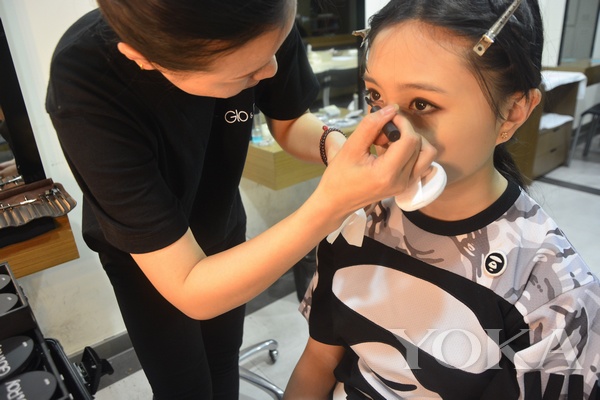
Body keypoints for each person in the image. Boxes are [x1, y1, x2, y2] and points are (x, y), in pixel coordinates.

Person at [45, 0, 434, 399]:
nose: (272, 71)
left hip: (222, 222)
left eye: (275, 49)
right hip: (149, 260)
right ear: (144, 59)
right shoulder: (86, 82)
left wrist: (336, 146)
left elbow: (290, 121)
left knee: (222, 359)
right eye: (247, 72)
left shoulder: (260, 12)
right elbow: (190, 287)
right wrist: (333, 203)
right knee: (184, 387)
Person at [285, 0, 600, 398]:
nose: (385, 132)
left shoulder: (554, 292)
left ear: (514, 111)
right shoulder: (361, 219)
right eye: (375, 96)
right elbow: (318, 359)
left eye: (422, 104)